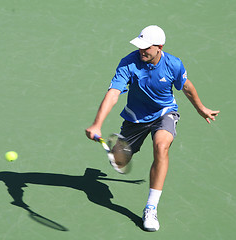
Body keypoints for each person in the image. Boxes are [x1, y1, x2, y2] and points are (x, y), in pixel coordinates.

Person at [85, 25, 219, 232]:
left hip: (164, 113)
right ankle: (118, 151)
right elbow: (113, 93)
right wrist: (97, 123)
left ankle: (151, 207)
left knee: (161, 146)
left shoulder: (173, 64)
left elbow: (186, 87)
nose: (142, 51)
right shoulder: (128, 63)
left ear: (159, 47)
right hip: (135, 118)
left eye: (146, 47)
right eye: (140, 46)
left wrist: (201, 108)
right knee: (120, 159)